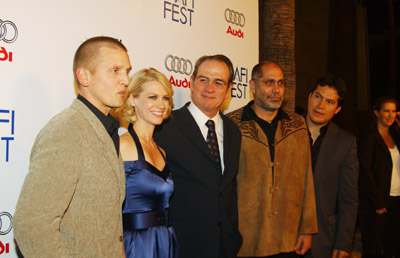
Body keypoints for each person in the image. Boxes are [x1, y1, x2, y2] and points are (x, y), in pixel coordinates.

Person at [13, 36, 131, 257]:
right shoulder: (67, 131)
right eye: (115, 71)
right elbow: (32, 225)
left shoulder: (106, 129)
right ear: (84, 76)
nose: (125, 79)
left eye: (127, 71)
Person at [154, 54, 242, 258]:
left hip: (225, 246)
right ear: (191, 82)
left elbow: (229, 189)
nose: (209, 88)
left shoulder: (233, 131)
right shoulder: (165, 128)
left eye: (218, 82)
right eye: (203, 80)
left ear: (229, 90)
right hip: (181, 246)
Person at [227, 61, 317, 258]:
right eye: (269, 83)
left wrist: (307, 228)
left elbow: (306, 180)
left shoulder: (297, 125)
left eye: (280, 83)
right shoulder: (231, 125)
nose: (276, 90)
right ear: (252, 86)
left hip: (288, 236)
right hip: (246, 237)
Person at [114, 68, 178, 258]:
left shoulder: (161, 151)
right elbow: (108, 208)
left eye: (165, 98)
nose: (161, 105)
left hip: (165, 239)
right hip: (136, 244)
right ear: (132, 99)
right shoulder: (122, 146)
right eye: (152, 97)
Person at [304, 75, 359, 258]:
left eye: (329, 102)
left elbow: (348, 198)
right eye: (318, 97)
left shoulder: (346, 143)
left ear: (337, 109)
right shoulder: (284, 130)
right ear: (310, 96)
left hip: (321, 240)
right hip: (280, 236)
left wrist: (343, 243)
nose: (320, 106)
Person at [358, 96, 400, 258]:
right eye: (386, 111)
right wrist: (378, 201)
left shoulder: (396, 137)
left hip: (396, 199)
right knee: (373, 248)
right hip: (377, 202)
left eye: (394, 111)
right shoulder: (369, 137)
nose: (390, 115)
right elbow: (364, 170)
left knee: (394, 246)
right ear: (377, 113)